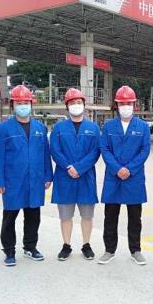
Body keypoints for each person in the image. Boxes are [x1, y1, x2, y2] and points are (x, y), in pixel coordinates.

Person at [0, 85, 52, 266]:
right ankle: (9, 250)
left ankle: (30, 247)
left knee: (33, 215)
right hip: (12, 181)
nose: (23, 106)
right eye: (19, 103)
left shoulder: (40, 128)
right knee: (10, 216)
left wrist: (48, 176)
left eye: (26, 102)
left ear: (31, 104)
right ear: (13, 105)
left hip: (35, 179)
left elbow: (45, 154)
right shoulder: (4, 129)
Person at [98, 85, 151, 265]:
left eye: (129, 103)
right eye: (122, 103)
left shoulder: (142, 127)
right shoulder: (109, 126)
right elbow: (105, 149)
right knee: (110, 216)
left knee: (135, 218)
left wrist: (129, 169)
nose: (125, 107)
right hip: (114, 177)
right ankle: (109, 250)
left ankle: (135, 250)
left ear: (134, 105)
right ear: (117, 105)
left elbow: (145, 150)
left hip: (133, 178)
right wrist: (117, 168)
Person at [50, 88, 100, 261]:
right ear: (67, 106)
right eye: (72, 103)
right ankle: (66, 245)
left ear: (84, 105)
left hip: (86, 177)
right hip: (65, 177)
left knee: (87, 215)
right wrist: (68, 167)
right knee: (65, 215)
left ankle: (86, 245)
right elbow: (55, 150)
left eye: (79, 102)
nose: (76, 105)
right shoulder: (59, 128)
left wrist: (79, 168)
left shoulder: (93, 128)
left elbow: (95, 152)